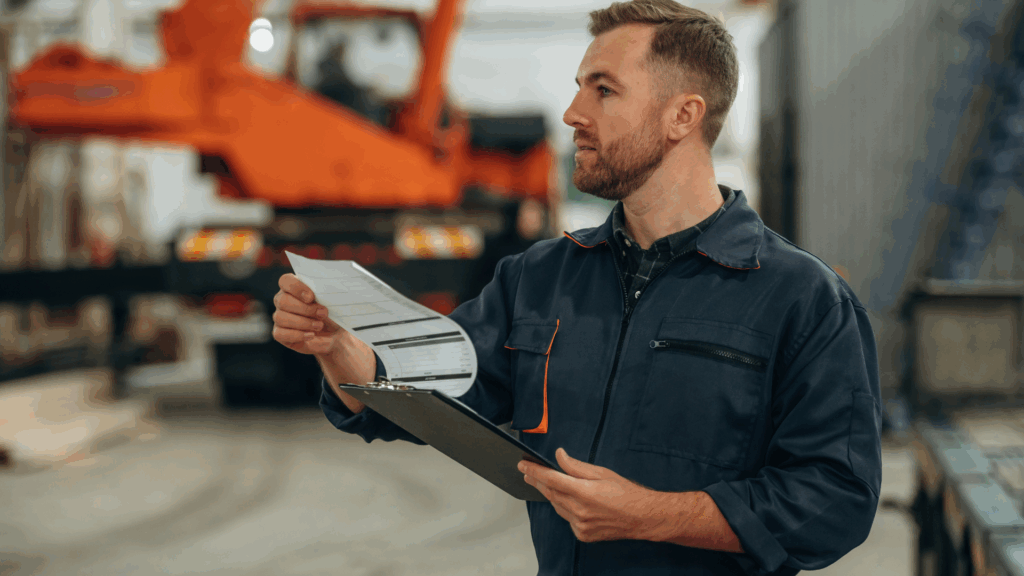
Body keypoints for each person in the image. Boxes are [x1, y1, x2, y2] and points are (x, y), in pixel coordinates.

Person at [271, 1, 883, 574]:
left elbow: (834, 500)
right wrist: (341, 352)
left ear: (683, 116)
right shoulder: (538, 278)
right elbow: (439, 393)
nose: (572, 115)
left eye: (604, 90)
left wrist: (652, 515)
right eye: (578, 86)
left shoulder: (801, 298)